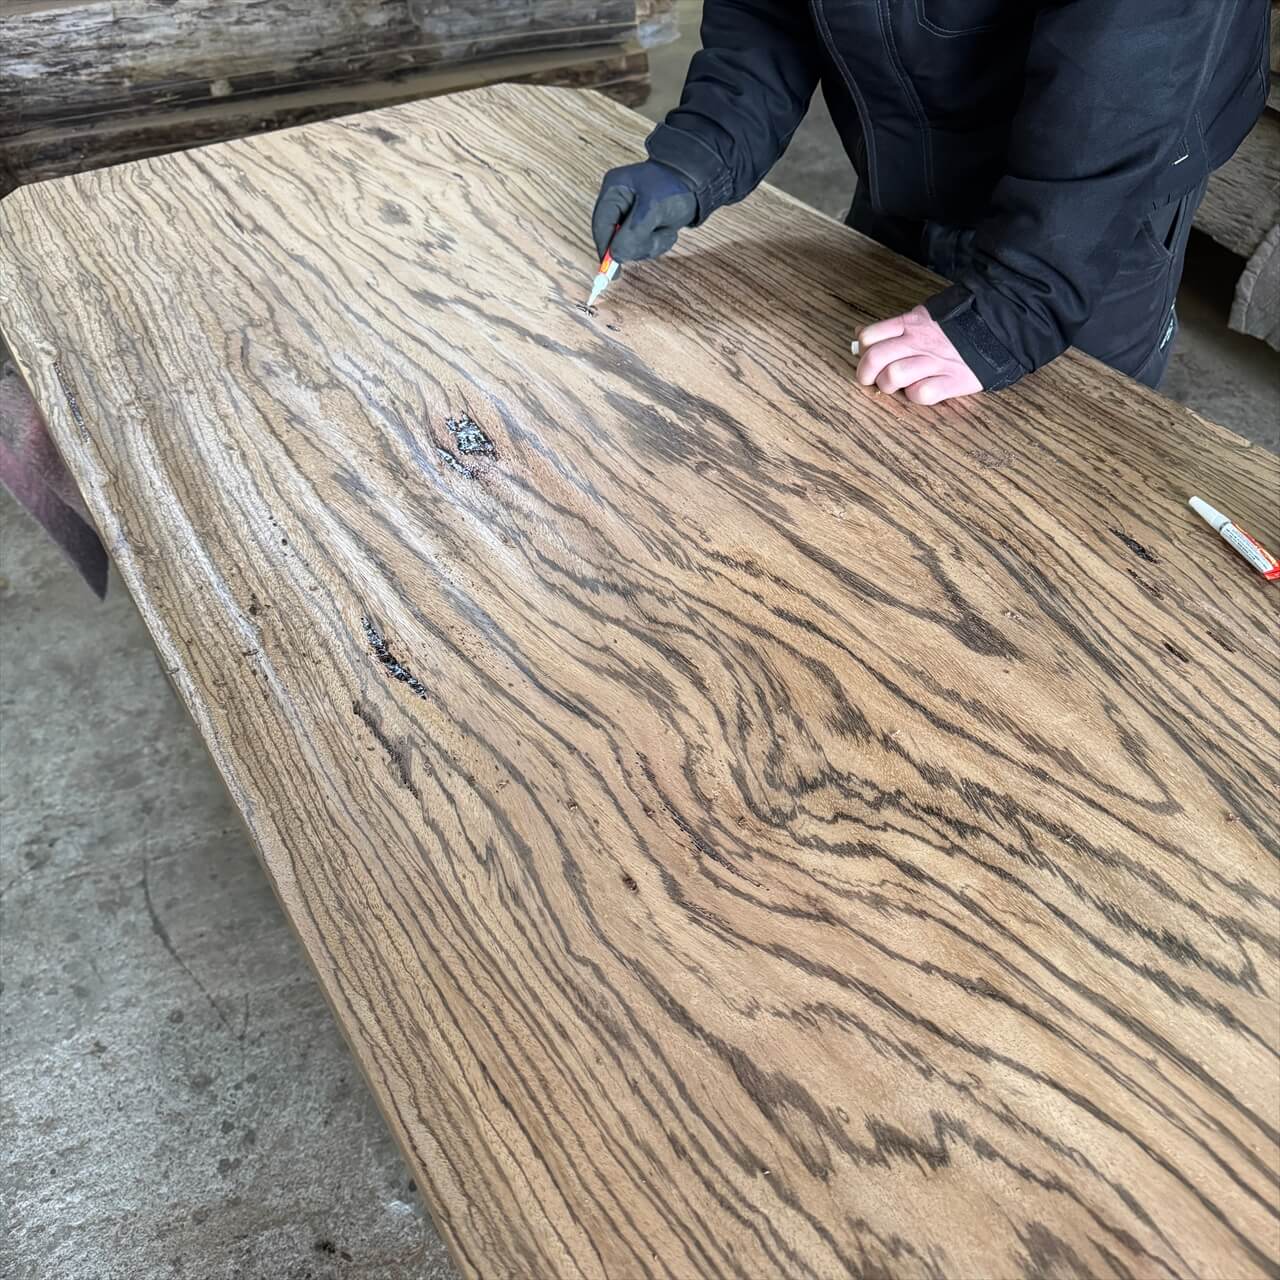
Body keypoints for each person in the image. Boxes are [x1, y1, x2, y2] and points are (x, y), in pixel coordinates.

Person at [592, 0, 1269, 404]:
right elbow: (767, 15)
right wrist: (700, 152)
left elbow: (1126, 82)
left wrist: (1015, 310)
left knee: (1059, 473)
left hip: (1097, 196)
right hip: (911, 130)